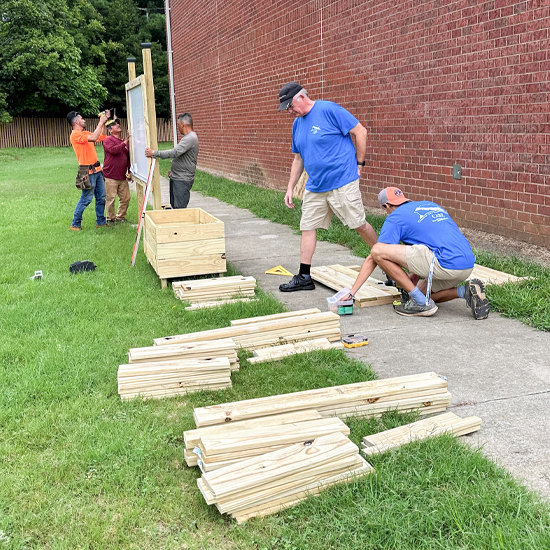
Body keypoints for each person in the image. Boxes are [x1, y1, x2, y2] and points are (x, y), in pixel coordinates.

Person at [277, 81, 378, 292]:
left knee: (359, 224)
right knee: (307, 227)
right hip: (315, 185)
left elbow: (361, 131)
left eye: (290, 106)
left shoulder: (329, 110)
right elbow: (298, 159)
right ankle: (304, 276)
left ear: (301, 98)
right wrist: (290, 187)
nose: (290, 112)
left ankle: (388, 262)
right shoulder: (297, 124)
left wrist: (360, 164)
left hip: (342, 181)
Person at [346, 186, 490, 319]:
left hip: (444, 264)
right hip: (466, 265)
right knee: (420, 294)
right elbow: (429, 244)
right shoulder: (431, 205)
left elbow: (375, 255)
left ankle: (421, 304)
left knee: (378, 249)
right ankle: (465, 291)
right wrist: (415, 274)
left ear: (387, 206)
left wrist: (351, 293)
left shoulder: (395, 217)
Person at [67, 110, 110, 230]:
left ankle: (101, 222)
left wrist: (104, 123)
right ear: (76, 121)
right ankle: (75, 224)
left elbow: (101, 136)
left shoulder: (84, 133)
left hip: (97, 170)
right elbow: (94, 136)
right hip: (87, 172)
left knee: (101, 197)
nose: (84, 120)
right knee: (86, 199)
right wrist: (100, 122)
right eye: (82, 118)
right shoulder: (75, 135)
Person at [145, 112, 198, 209]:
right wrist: (174, 172)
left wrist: (155, 153)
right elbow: (180, 155)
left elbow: (174, 152)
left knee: (179, 209)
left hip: (182, 180)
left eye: (178, 125)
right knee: (174, 206)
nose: (178, 128)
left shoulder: (190, 138)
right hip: (177, 177)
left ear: (183, 124)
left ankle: (181, 224)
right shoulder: (187, 138)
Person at [103, 118, 131, 223]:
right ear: (110, 130)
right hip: (110, 176)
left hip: (122, 176)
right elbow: (113, 150)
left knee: (126, 198)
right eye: (115, 124)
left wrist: (130, 171)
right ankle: (110, 219)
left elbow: (128, 158)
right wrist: (125, 142)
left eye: (118, 123)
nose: (118, 125)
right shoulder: (108, 140)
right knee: (111, 199)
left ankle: (120, 217)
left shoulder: (124, 142)